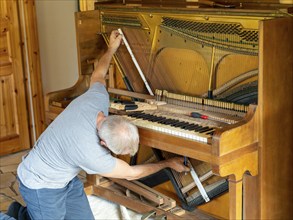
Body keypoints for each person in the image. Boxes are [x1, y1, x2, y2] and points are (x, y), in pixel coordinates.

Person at [16, 30, 190, 220]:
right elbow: (131, 173)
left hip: (64, 179)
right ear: (104, 145)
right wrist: (168, 163)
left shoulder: (96, 100)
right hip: (40, 183)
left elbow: (98, 75)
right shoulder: (91, 153)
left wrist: (111, 49)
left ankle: (24, 213)